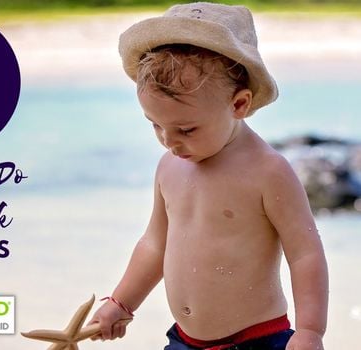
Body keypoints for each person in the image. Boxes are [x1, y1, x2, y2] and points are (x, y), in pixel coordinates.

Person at [88, 2, 328, 350]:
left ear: (239, 104)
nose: (169, 141)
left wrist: (310, 331)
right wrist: (121, 303)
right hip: (185, 341)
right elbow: (155, 244)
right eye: (155, 125)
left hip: (256, 340)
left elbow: (305, 253)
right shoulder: (169, 166)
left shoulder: (268, 171)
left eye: (186, 128)